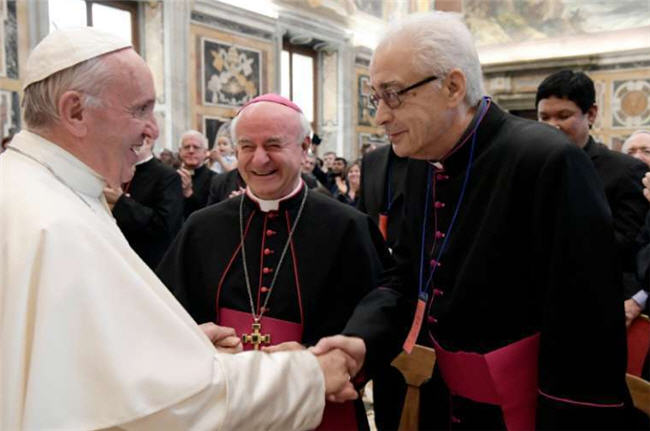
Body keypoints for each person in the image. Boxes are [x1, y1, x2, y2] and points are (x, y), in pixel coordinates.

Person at [0, 27, 357, 431]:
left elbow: (86, 362)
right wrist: (307, 375)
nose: (152, 130)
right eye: (141, 109)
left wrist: (185, 347)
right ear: (76, 112)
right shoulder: (56, 224)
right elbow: (151, 406)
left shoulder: (36, 192)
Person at [313, 12, 633, 429]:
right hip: (447, 401)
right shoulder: (424, 161)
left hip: (535, 413)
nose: (381, 116)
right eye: (377, 97)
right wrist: (361, 340)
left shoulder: (547, 159)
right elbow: (406, 276)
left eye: (393, 95)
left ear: (453, 87)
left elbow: (585, 324)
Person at [157, 93, 390, 430]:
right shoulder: (201, 227)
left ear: (304, 147)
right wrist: (200, 345)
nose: (259, 159)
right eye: (246, 146)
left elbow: (377, 316)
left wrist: (319, 358)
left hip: (320, 403)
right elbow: (166, 315)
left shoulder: (348, 226)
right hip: (227, 403)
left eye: (273, 145)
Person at [536, 70, 649, 328]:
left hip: (599, 308)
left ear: (591, 114)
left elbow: (628, 245)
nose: (552, 125)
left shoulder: (625, 171)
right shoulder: (531, 167)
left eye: (563, 116)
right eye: (544, 117)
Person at [106, 136, 184, 270]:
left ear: (147, 141)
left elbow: (165, 225)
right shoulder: (115, 170)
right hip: (117, 256)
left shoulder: (167, 176)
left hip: (148, 261)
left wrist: (121, 201)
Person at [177, 130, 215, 218]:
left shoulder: (215, 180)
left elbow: (210, 214)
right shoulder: (170, 177)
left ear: (205, 152)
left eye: (196, 147)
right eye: (187, 147)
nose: (191, 151)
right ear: (180, 151)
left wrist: (188, 193)